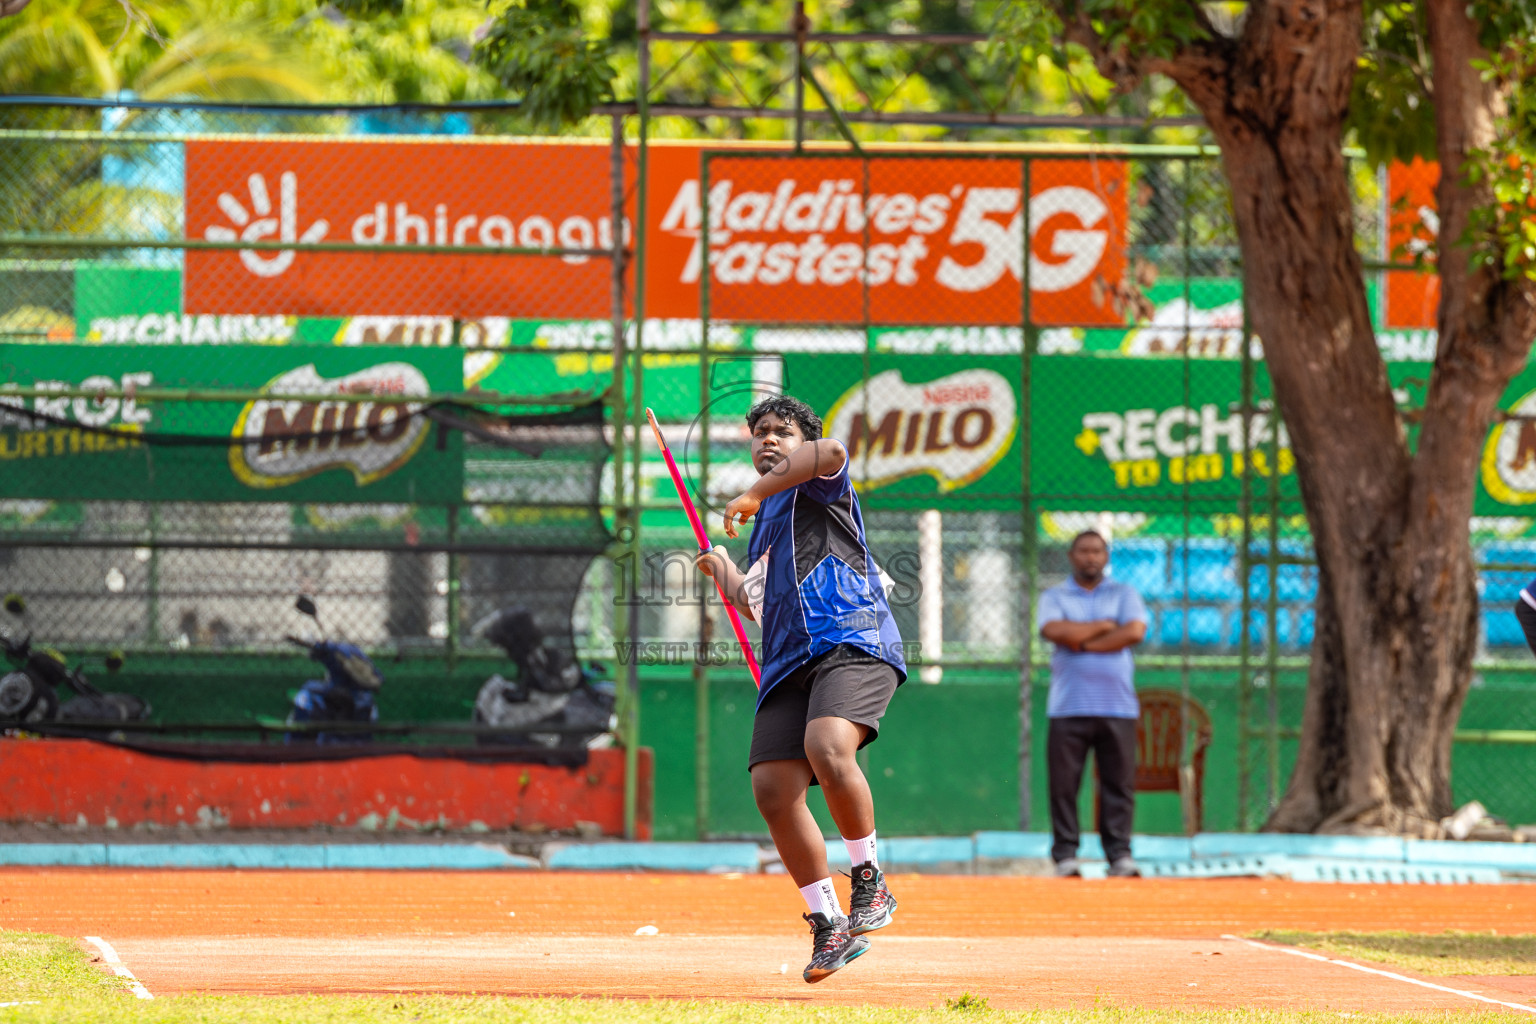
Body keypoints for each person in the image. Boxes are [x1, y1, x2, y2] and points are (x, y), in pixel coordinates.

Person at [695, 395, 906, 983]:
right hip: (789, 661)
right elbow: (759, 604)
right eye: (759, 431)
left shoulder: (821, 486)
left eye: (782, 431)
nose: (769, 439)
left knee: (828, 746)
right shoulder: (763, 524)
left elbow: (832, 451)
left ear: (801, 441)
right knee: (772, 786)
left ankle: (869, 880)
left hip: (850, 641)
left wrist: (752, 493)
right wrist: (723, 572)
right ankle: (829, 923)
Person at [1037, 529, 1148, 879]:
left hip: (1118, 708)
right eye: (1083, 551)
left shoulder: (1125, 593)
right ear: (1071, 556)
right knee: (1064, 786)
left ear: (1106, 557)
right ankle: (1066, 856)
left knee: (1118, 784)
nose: (1090, 557)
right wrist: (1102, 626)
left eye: (1097, 551)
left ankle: (1119, 856)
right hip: (1068, 707)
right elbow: (1054, 631)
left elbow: (1133, 632)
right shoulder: (1054, 595)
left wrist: (1082, 642)